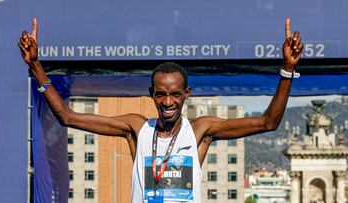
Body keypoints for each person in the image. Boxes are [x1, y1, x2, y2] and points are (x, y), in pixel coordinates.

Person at [18, 18, 303, 203]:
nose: (168, 102)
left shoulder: (201, 131)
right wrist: (36, 66)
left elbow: (268, 123)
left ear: (186, 95)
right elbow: (68, 117)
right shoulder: (137, 128)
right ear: (151, 95)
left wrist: (288, 69)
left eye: (175, 94)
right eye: (162, 94)